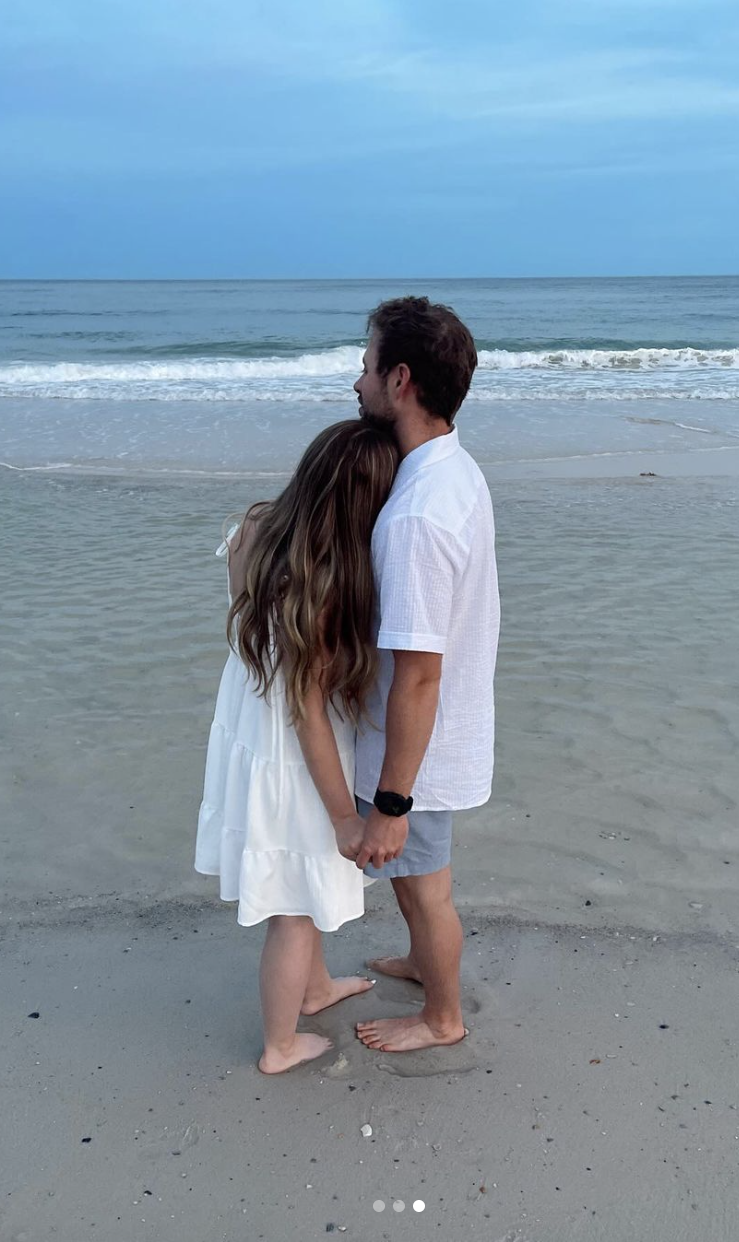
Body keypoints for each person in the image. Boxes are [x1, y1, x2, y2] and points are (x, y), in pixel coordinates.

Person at [194, 419, 399, 1074]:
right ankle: (280, 1045)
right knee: (292, 911)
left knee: (300, 892)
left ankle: (315, 989)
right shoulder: (326, 579)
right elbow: (309, 713)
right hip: (293, 752)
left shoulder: (257, 526)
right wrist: (345, 814)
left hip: (250, 721)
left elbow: (253, 639)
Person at [348, 296, 500, 1054]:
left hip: (419, 750)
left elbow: (416, 677)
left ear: (400, 378)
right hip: (439, 733)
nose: (357, 382)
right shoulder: (450, 466)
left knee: (425, 887)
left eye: (367, 365)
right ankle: (419, 962)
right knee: (417, 884)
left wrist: (391, 801)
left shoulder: (417, 515)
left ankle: (443, 1016)